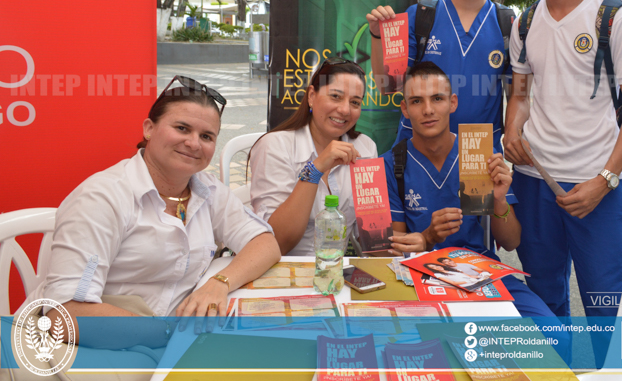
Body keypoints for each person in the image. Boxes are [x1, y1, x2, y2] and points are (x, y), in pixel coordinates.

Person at [26, 76, 281, 346]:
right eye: (182, 128)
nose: (194, 144)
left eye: (206, 136)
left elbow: (264, 243)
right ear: (149, 129)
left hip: (164, 344)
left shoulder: (206, 189)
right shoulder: (102, 198)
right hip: (98, 348)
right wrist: (170, 334)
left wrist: (219, 282)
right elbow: (63, 316)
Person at [503, 0, 622, 365]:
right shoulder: (524, 23)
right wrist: (511, 128)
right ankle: (557, 373)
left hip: (597, 185)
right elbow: (521, 91)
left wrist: (604, 179)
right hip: (534, 180)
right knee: (545, 301)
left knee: (607, 306)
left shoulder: (613, 17)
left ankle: (614, 376)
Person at [383, 63, 569, 345]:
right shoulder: (393, 163)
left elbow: (510, 241)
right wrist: (428, 237)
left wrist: (497, 200)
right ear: (405, 110)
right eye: (416, 101)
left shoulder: (479, 152)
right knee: (432, 346)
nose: (428, 110)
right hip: (418, 276)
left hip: (481, 271)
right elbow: (391, 248)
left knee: (556, 338)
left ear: (452, 103)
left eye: (437, 98)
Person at [367, 0, 510, 151]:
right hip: (419, 149)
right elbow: (389, 85)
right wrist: (376, 36)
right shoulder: (420, 16)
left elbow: (518, 97)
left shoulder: (507, 23)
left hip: (479, 153)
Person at [250, 57, 378, 255]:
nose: (345, 110)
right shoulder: (275, 146)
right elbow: (277, 243)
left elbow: (372, 236)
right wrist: (316, 169)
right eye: (335, 96)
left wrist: (421, 238)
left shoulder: (365, 147)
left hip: (335, 274)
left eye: (355, 102)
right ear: (311, 96)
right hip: (282, 271)